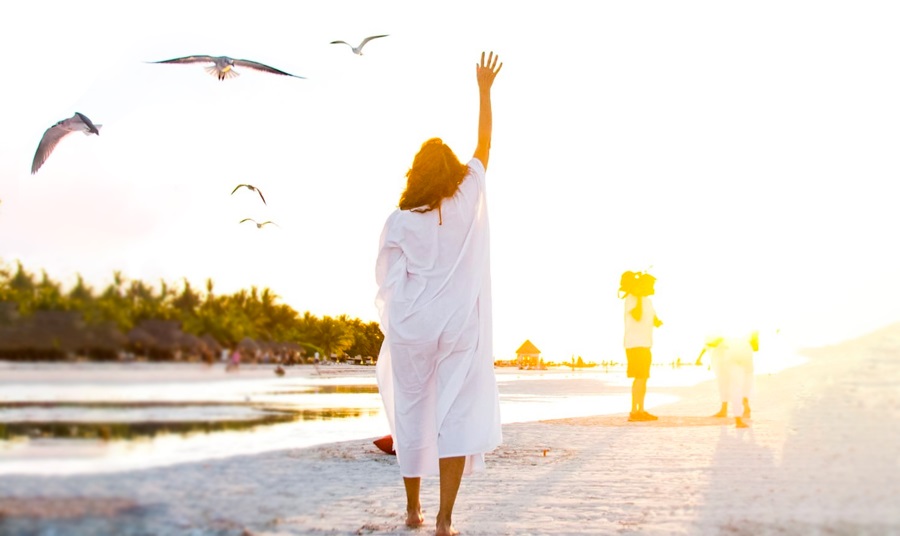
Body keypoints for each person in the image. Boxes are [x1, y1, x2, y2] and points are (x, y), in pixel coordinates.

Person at [375, 51, 503, 536]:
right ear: (451, 171)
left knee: (411, 412)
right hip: (457, 326)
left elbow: (386, 277)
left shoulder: (400, 220)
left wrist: (405, 312)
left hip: (413, 327)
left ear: (416, 174)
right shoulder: (467, 197)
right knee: (455, 415)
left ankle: (413, 509)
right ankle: (444, 519)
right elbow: (484, 144)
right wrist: (484, 90)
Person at [620, 270, 663, 422]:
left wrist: (656, 320)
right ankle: (634, 412)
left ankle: (641, 410)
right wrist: (637, 295)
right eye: (651, 285)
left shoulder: (647, 301)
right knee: (639, 378)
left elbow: (655, 321)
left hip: (646, 344)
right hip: (634, 344)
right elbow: (637, 316)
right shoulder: (631, 299)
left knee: (643, 378)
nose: (653, 288)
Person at [696, 331, 758, 428]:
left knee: (732, 386)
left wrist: (709, 344)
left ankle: (735, 416)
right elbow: (756, 347)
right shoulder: (752, 331)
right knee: (742, 385)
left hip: (732, 360)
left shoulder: (723, 332)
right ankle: (742, 409)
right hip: (745, 359)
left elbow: (717, 341)